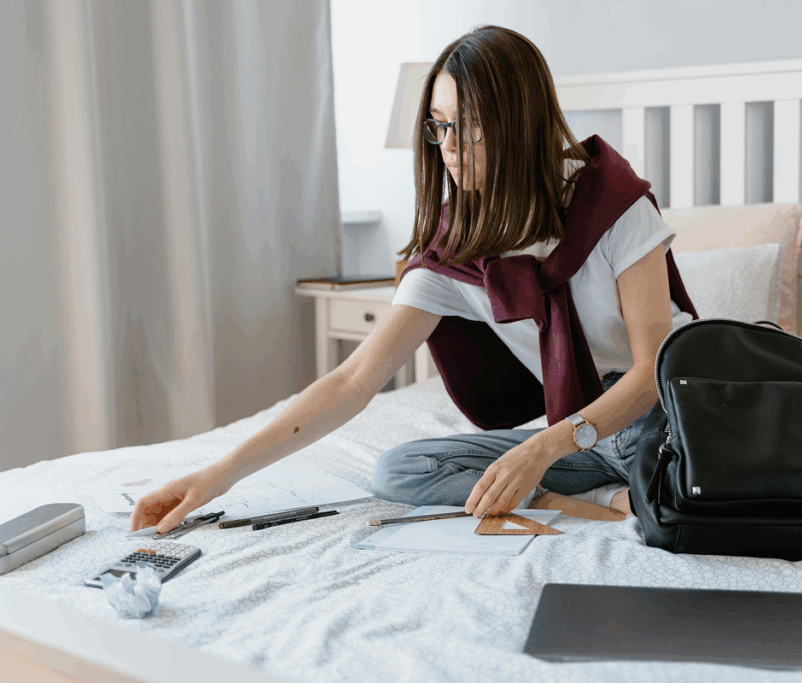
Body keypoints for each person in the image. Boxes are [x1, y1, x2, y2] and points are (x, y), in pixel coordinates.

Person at [129, 25, 696, 535]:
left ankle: (636, 497)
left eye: (468, 127)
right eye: (440, 126)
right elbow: (352, 382)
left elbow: (651, 372)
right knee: (400, 469)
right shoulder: (459, 253)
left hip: (662, 424)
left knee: (700, 489)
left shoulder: (613, 204)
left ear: (519, 121)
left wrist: (546, 445)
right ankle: (591, 504)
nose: (448, 147)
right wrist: (219, 475)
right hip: (583, 444)